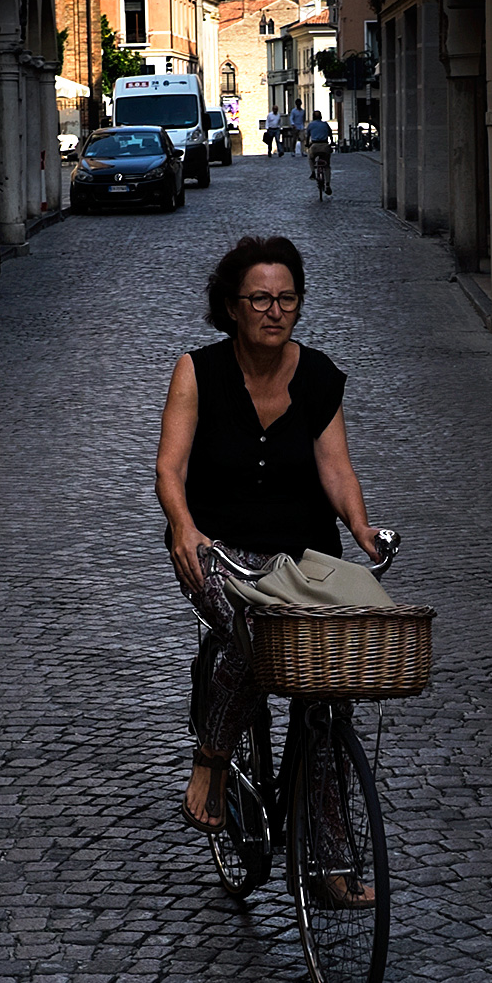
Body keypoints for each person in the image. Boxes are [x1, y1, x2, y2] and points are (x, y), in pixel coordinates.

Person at [155, 236, 382, 852]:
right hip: (219, 548)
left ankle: (332, 856)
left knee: (331, 691)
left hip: (304, 556)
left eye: (286, 298)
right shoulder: (197, 371)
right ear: (232, 306)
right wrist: (183, 527)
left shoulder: (317, 377)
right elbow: (169, 470)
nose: (274, 310)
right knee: (250, 633)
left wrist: (361, 528)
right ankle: (213, 754)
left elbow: (336, 469)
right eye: (260, 298)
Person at [304, 111, 333, 193]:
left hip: (315, 146)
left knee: (310, 158)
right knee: (327, 165)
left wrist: (307, 144)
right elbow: (330, 134)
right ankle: (327, 184)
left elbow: (307, 136)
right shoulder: (325, 124)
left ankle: (313, 172)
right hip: (325, 145)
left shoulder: (311, 125)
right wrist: (332, 142)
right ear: (321, 117)